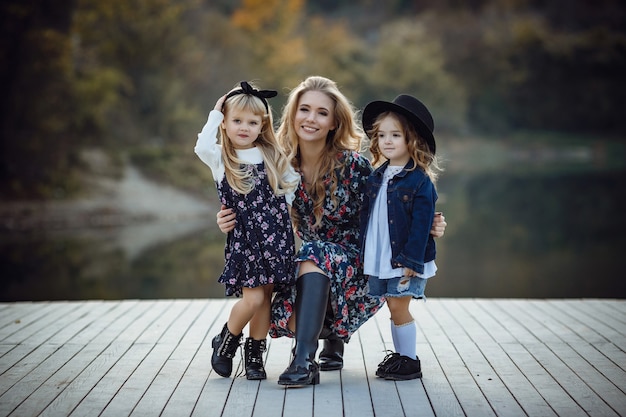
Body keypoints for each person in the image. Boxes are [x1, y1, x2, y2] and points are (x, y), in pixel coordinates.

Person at [215, 76, 448, 386]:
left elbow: (395, 208)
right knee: (284, 310)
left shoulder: (354, 166)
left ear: (334, 122)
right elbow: (249, 201)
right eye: (305, 110)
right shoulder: (276, 163)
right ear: (293, 114)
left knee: (314, 252)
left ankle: (303, 363)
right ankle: (328, 339)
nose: (311, 119)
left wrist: (432, 224)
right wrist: (226, 219)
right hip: (310, 268)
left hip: (357, 266)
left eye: (322, 113)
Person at [194, 81, 299, 380]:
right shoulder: (219, 157)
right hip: (246, 241)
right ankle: (226, 341)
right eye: (236, 121)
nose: (244, 127)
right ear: (225, 124)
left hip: (277, 240)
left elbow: (291, 189)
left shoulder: (272, 155)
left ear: (262, 125)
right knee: (252, 299)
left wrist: (295, 225)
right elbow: (200, 145)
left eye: (252, 122)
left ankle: (255, 357)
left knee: (265, 299)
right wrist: (216, 110)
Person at [360, 94, 442, 381]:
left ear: (412, 140)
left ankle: (409, 360)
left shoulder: (419, 181)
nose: (387, 141)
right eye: (382, 135)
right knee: (393, 305)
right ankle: (402, 357)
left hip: (404, 257)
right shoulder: (376, 176)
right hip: (383, 254)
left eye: (396, 135)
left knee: (398, 304)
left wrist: (411, 260)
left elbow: (421, 226)